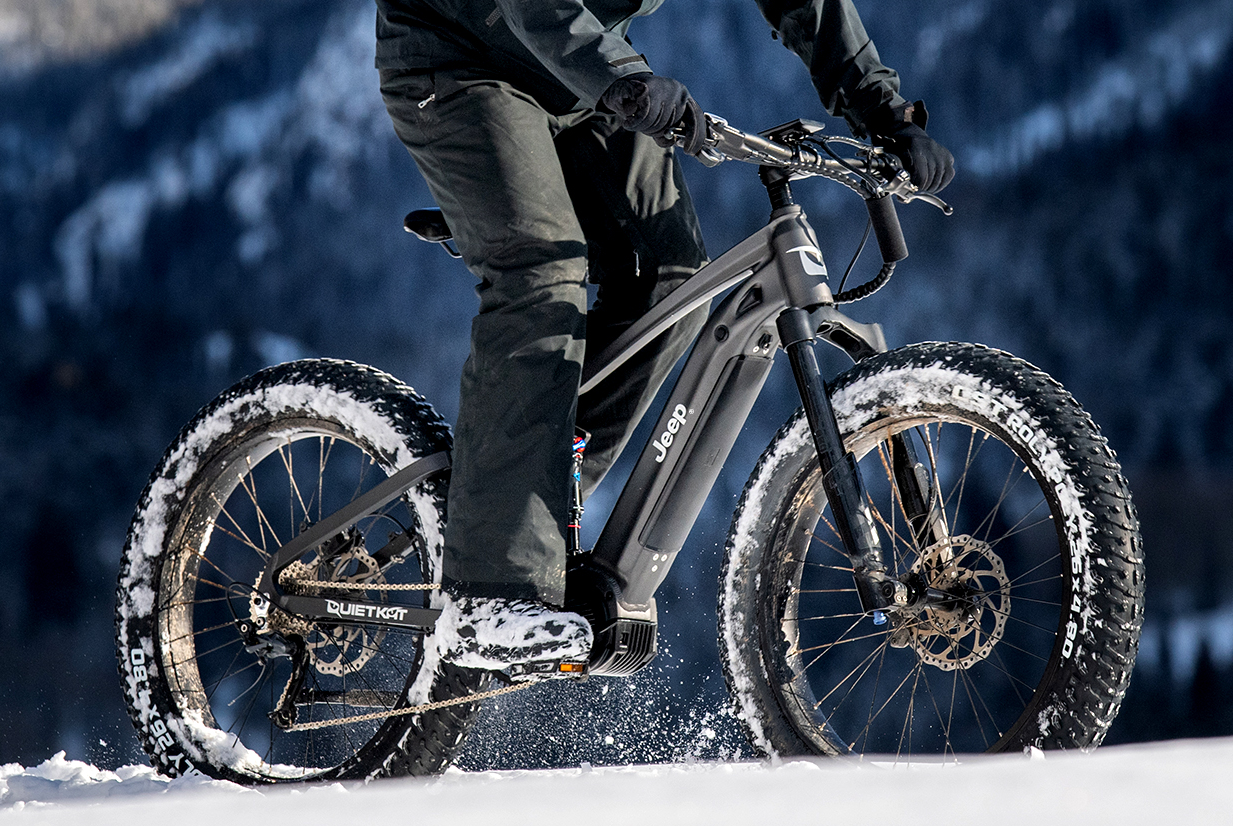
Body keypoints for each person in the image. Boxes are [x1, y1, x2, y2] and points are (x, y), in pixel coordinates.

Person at [374, 0, 954, 672]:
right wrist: (620, 76)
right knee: (541, 276)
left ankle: (525, 507)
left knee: (673, 279)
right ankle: (490, 594)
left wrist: (882, 111)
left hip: (573, 71)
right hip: (459, 62)